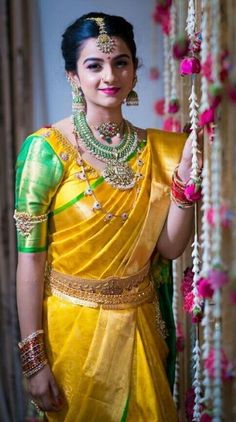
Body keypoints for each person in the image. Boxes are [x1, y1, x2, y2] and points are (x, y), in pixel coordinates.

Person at [15, 12, 200, 422]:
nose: (109, 75)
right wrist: (34, 360)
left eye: (121, 62)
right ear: (73, 76)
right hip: (71, 335)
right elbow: (30, 260)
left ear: (135, 71)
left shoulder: (163, 151)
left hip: (139, 327)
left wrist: (185, 178)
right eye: (94, 65)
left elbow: (169, 248)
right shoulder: (45, 151)